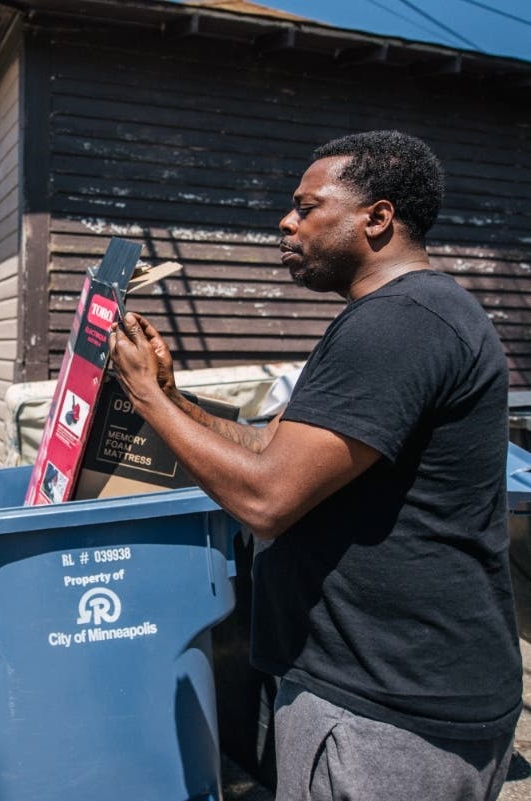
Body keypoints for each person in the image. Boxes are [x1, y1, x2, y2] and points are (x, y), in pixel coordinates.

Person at [108, 131, 520, 801]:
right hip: (390, 692)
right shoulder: (399, 316)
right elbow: (269, 449)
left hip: (388, 714)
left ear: (377, 218)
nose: (285, 220)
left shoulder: (398, 325)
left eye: (306, 206)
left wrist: (148, 401)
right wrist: (175, 395)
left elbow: (267, 497)